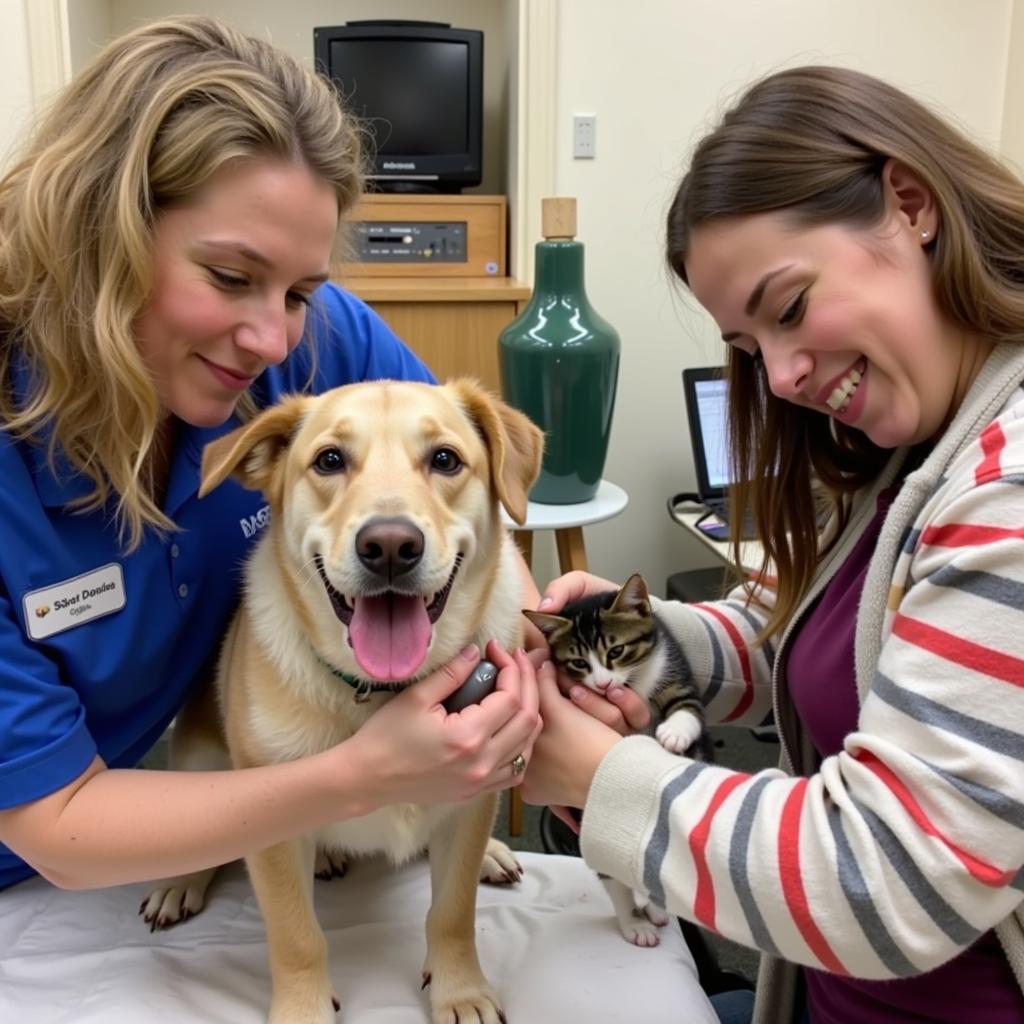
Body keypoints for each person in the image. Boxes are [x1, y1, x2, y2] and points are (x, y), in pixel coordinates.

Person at [520, 64, 1024, 1024]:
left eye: (788, 308)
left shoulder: (1005, 489)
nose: (783, 376)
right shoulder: (911, 447)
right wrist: (638, 632)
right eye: (749, 348)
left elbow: (891, 881)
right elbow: (814, 636)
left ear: (909, 204)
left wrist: (595, 774)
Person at [0, 15, 541, 893]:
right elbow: (55, 828)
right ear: (98, 234)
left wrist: (542, 643)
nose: (268, 337)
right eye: (229, 277)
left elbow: (455, 504)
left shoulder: (318, 344)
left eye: (298, 289)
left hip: (187, 798)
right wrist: (361, 778)